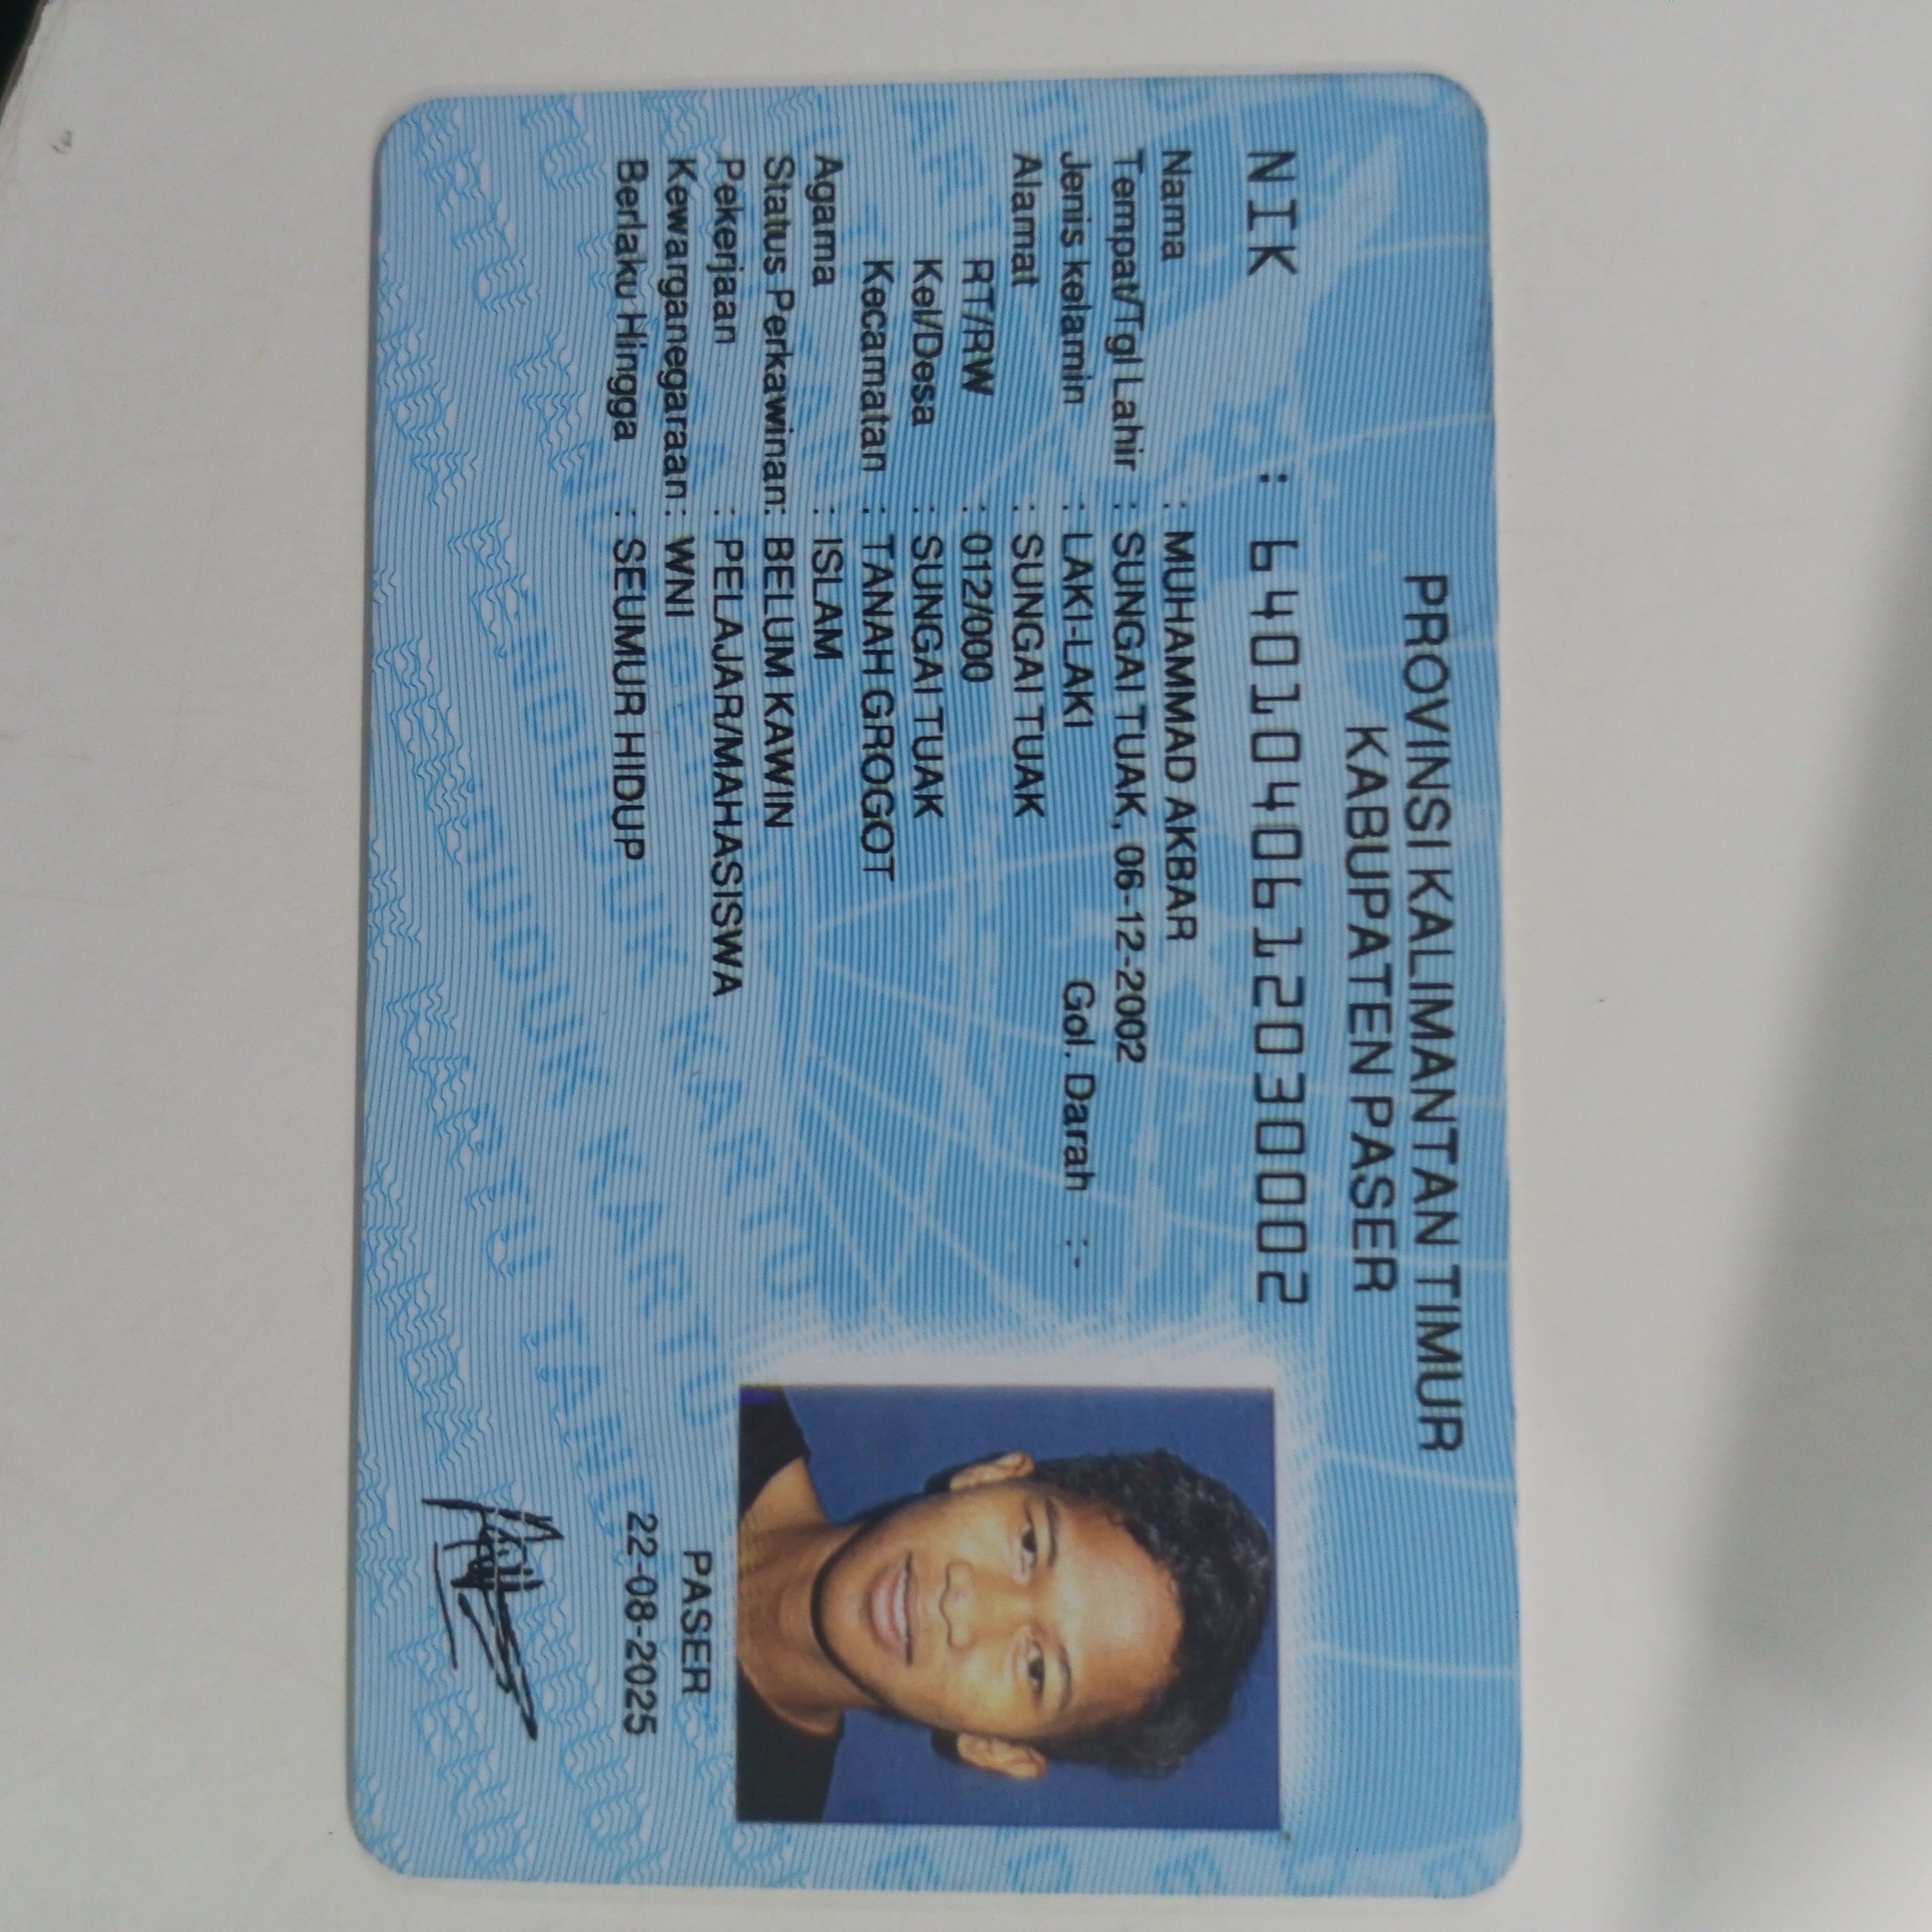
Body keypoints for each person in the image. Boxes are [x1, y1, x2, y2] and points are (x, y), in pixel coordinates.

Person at [736, 1386, 1273, 1823]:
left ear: (996, 1749)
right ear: (989, 1478)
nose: (963, 1606)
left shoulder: (746, 1860)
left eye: (1037, 1669)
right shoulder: (723, 1385)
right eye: (1030, 1545)